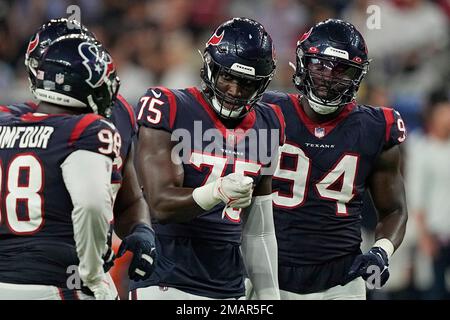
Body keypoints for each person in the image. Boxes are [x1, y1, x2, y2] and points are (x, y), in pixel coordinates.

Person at [131, 17, 284, 300]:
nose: (235, 91)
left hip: (228, 286)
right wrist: (217, 191)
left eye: (247, 83)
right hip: (166, 279)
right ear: (210, 67)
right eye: (228, 77)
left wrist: (268, 294)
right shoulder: (169, 105)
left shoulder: (269, 122)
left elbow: (259, 231)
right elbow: (161, 204)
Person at [260, 19, 408, 300]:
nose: (329, 78)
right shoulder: (265, 112)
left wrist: (381, 251)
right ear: (303, 63)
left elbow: (394, 210)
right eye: (321, 66)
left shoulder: (376, 128)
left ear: (358, 75)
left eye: (342, 70)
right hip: (264, 273)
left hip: (339, 282)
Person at [20, 18, 157, 293]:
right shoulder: (21, 122)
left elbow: (129, 198)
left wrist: (141, 229)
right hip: (39, 268)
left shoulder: (118, 113)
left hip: (87, 272)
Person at [0, 34, 120, 299]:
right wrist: (93, 274)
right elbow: (91, 205)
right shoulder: (84, 129)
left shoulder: (5, 121)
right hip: (54, 283)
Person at [408, 90, 450, 299]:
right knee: (435, 290)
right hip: (435, 233)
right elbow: (417, 196)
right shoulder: (423, 148)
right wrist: (423, 235)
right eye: (444, 114)